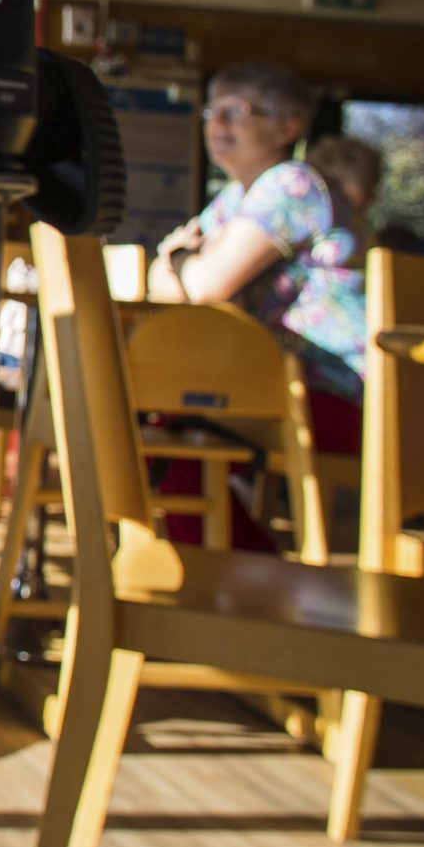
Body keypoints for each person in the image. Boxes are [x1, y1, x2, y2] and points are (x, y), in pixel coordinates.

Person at [149, 63, 367, 544]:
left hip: (337, 397)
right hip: (277, 387)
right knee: (155, 423)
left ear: (287, 128)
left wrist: (183, 258)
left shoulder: (293, 185)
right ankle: (233, 571)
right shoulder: (235, 198)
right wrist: (185, 265)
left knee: (163, 431)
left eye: (236, 112)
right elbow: (163, 283)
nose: (216, 125)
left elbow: (202, 284)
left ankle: (238, 574)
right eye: (212, 111)